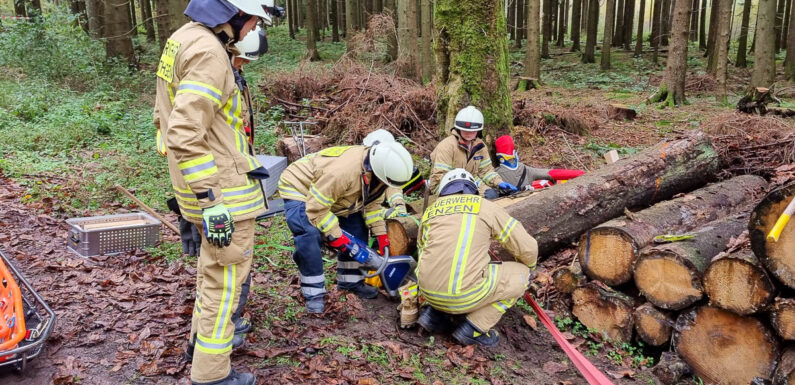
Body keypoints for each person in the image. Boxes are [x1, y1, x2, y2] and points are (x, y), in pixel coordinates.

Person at [153, 0, 280, 383]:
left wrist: (192, 194)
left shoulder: (183, 38)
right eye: (254, 18)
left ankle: (198, 346)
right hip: (222, 196)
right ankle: (211, 375)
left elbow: (166, 121)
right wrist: (210, 201)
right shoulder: (209, 53)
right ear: (235, 14)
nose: (254, 26)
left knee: (210, 276)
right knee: (225, 285)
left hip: (200, 186)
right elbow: (184, 132)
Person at [278, 141, 414, 313]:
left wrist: (381, 235)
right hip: (301, 189)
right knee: (309, 234)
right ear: (378, 171)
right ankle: (314, 293)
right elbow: (316, 208)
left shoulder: (378, 175)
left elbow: (372, 207)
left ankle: (350, 283)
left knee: (358, 227)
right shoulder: (342, 173)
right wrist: (337, 236)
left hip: (334, 196)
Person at [415, 169, 538, 347]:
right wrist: (530, 266)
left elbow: (423, 249)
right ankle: (472, 329)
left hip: (427, 291)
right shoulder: (485, 206)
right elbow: (527, 246)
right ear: (473, 189)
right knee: (523, 275)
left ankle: (435, 315)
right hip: (464, 295)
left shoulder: (431, 211)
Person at [428, 106, 517, 199]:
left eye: (472, 130)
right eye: (465, 130)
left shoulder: (480, 146)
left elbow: (486, 171)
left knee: (492, 195)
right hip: (446, 185)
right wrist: (464, 185)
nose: (469, 133)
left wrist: (499, 183)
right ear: (458, 128)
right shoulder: (446, 146)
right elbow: (439, 176)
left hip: (472, 182)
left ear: (478, 130)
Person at [494, 135, 585, 191]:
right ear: (515, 153)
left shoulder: (494, 175)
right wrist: (581, 174)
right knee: (548, 182)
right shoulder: (526, 170)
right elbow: (551, 173)